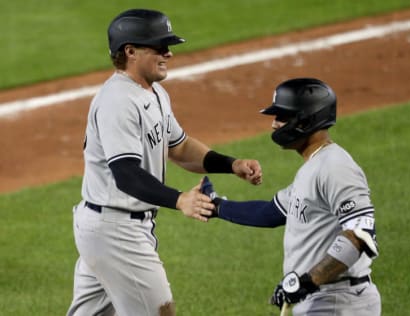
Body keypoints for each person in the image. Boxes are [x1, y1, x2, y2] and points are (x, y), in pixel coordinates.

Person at [66, 8, 262, 316]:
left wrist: (231, 164)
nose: (168, 53)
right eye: (159, 46)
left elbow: (180, 147)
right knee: (160, 312)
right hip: (116, 230)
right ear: (130, 51)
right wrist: (180, 199)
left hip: (109, 226)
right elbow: (127, 175)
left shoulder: (153, 92)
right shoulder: (118, 101)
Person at [202, 78, 381, 315]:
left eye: (282, 117)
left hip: (339, 301)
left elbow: (360, 235)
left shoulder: (335, 167)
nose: (275, 125)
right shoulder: (313, 166)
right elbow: (270, 213)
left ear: (307, 120)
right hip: (322, 299)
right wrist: (216, 206)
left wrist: (308, 282)